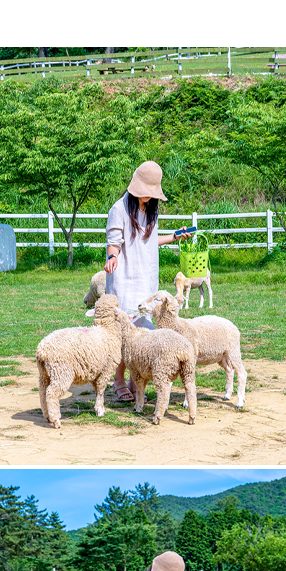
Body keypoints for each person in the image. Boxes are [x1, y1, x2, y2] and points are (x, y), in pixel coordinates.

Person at [103, 161, 192, 401]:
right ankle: (118, 381)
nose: (150, 198)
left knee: (143, 332)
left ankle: (136, 380)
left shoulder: (150, 210)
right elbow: (114, 241)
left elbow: (149, 240)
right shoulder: (119, 209)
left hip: (147, 279)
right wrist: (112, 257)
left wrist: (174, 236)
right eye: (147, 193)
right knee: (125, 333)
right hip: (125, 277)